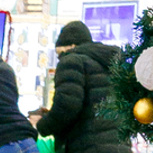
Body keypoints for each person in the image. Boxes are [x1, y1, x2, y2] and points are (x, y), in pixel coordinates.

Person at [30, 20, 128, 153]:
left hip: (88, 147)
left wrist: (42, 125)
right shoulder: (110, 64)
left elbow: (67, 107)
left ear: (72, 46)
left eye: (60, 53)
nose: (60, 59)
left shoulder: (72, 60)